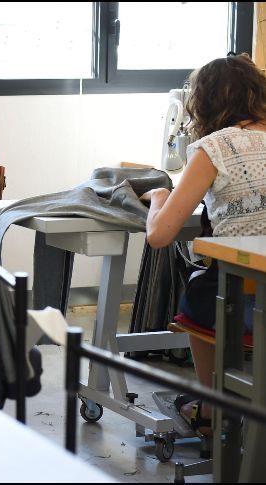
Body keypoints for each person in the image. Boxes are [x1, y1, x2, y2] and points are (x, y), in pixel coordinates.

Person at [141, 53, 266, 436]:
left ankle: (212, 408)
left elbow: (160, 235)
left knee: (200, 289)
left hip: (244, 296)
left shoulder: (214, 148)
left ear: (204, 102)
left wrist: (161, 197)